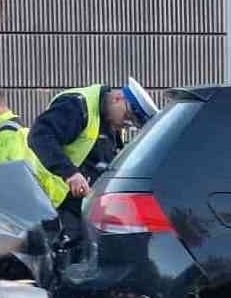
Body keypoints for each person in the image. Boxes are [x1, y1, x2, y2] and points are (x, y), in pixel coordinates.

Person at [27, 78, 158, 215]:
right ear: (118, 98)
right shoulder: (77, 105)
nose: (126, 124)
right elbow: (39, 136)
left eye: (132, 124)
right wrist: (70, 174)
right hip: (49, 201)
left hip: (81, 205)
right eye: (127, 116)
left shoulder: (110, 121)